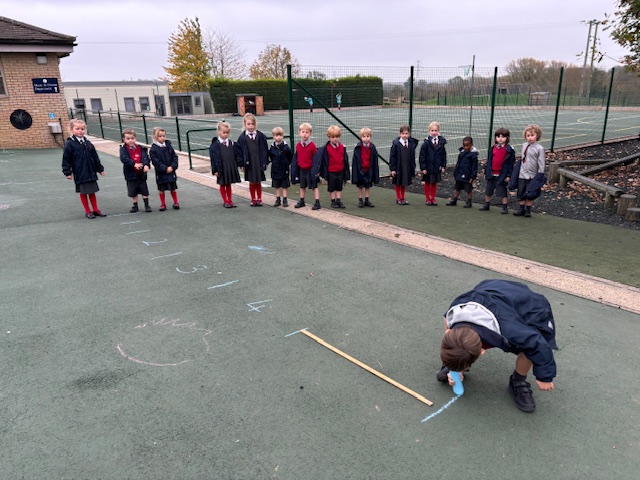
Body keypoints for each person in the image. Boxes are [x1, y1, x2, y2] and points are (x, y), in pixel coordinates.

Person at [437, 279, 557, 413]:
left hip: (529, 306)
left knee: (528, 347)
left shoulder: (511, 331)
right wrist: (456, 368)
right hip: (491, 289)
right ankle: (458, 364)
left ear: (482, 351)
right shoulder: (455, 312)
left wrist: (544, 377)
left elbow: (537, 344)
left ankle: (518, 380)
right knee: (460, 344)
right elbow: (446, 319)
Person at [61, 119, 107, 219]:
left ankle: (95, 209)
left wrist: (100, 168)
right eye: (77, 129)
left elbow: (95, 157)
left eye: (82, 129)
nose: (80, 131)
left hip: (91, 172)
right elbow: (66, 159)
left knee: (92, 191)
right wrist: (67, 172)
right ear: (71, 130)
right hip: (80, 172)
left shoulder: (88, 143)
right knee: (84, 192)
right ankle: (87, 211)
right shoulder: (70, 144)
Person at [510, 124, 547, 218]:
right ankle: (521, 209)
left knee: (530, 193)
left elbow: (541, 163)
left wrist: (540, 175)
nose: (530, 138)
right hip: (522, 174)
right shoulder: (524, 145)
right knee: (521, 192)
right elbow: (523, 159)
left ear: (537, 136)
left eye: (532, 135)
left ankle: (528, 210)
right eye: (528, 136)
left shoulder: (539, 148)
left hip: (533, 175)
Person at [479, 128, 515, 214]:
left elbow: (511, 164)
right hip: (492, 173)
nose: (500, 138)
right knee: (488, 190)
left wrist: (508, 175)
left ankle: (505, 207)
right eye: (498, 136)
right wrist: (486, 172)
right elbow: (489, 161)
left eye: (503, 136)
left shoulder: (509, 150)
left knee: (502, 191)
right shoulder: (493, 148)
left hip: (502, 174)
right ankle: (487, 204)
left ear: (507, 138)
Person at [236, 113, 269, 206]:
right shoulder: (242, 138)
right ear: (245, 125)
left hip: (258, 161)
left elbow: (264, 150)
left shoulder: (261, 136)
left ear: (255, 124)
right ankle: (253, 198)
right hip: (249, 163)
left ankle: (259, 198)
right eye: (248, 124)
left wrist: (265, 162)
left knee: (258, 180)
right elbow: (239, 152)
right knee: (252, 181)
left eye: (252, 124)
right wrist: (241, 164)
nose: (250, 126)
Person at [209, 121, 242, 208]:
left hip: (230, 166)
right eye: (224, 132)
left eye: (227, 133)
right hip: (221, 167)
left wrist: (240, 164)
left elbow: (236, 155)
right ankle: (225, 201)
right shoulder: (215, 145)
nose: (226, 134)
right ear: (219, 132)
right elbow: (213, 159)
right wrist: (215, 170)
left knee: (229, 184)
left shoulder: (232, 143)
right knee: (223, 184)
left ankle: (230, 200)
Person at [317, 125, 350, 208]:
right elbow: (323, 161)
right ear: (329, 137)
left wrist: (345, 171)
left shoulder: (342, 147)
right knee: (331, 187)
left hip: (340, 170)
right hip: (331, 171)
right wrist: (322, 172)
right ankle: (333, 201)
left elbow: (345, 160)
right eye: (333, 137)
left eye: (337, 137)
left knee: (339, 187)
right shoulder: (326, 148)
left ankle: (338, 200)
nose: (335, 139)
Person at [120, 128, 152, 213]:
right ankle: (135, 205)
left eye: (132, 138)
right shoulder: (123, 149)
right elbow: (124, 159)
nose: (130, 140)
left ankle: (147, 205)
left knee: (144, 190)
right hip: (131, 174)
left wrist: (146, 165)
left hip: (141, 174)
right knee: (133, 191)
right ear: (124, 139)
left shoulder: (141, 148)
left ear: (135, 138)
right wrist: (134, 164)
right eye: (128, 138)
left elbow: (145, 158)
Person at [291, 123, 321, 210]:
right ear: (299, 133)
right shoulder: (298, 145)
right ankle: (302, 201)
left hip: (310, 169)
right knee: (302, 186)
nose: (305, 134)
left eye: (307, 132)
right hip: (302, 169)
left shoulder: (312, 146)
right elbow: (297, 158)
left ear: (310, 134)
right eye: (303, 132)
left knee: (314, 186)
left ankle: (317, 202)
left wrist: (316, 170)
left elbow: (316, 158)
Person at [149, 127, 180, 211]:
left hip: (171, 172)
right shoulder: (153, 149)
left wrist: (172, 167)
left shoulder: (169, 145)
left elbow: (175, 157)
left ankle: (176, 202)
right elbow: (155, 161)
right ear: (155, 137)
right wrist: (165, 168)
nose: (162, 138)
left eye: (164, 136)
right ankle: (163, 204)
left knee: (172, 188)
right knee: (161, 189)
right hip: (161, 173)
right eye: (160, 136)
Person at [389, 124, 418, 205]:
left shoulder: (411, 144)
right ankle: (399, 198)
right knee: (398, 182)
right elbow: (392, 157)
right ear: (400, 134)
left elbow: (412, 156)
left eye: (406, 133)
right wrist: (393, 168)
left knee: (404, 182)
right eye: (403, 133)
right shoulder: (396, 144)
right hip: (399, 167)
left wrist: (413, 167)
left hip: (407, 167)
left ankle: (402, 197)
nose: (404, 135)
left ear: (409, 134)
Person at [419, 121, 447, 206]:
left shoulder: (441, 143)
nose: (434, 132)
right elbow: (422, 156)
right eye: (432, 130)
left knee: (434, 182)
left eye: (436, 130)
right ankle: (428, 198)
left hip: (436, 166)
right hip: (428, 167)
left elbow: (443, 155)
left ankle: (433, 198)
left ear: (438, 131)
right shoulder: (426, 143)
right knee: (427, 182)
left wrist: (443, 165)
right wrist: (423, 167)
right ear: (429, 131)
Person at [446, 136, 478, 208]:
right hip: (460, 173)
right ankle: (455, 200)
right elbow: (458, 164)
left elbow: (474, 167)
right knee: (457, 188)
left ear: (471, 145)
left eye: (467, 145)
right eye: (464, 145)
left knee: (468, 189)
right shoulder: (461, 153)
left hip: (467, 175)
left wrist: (472, 176)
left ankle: (469, 201)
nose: (466, 147)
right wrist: (456, 173)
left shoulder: (473, 155)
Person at [351, 127, 380, 208]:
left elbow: (375, 160)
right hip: (361, 169)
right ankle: (360, 200)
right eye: (364, 136)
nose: (366, 138)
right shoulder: (358, 147)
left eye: (368, 136)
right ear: (361, 137)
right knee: (360, 186)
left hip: (369, 169)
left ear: (370, 137)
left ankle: (367, 199)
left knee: (367, 185)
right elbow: (355, 161)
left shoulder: (372, 147)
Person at [268, 126, 293, 207]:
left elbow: (290, 156)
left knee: (285, 185)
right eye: (276, 135)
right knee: (277, 185)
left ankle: (285, 199)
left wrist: (286, 164)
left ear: (282, 136)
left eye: (280, 135)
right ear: (273, 136)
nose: (278, 137)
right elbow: (271, 157)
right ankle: (278, 199)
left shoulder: (286, 147)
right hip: (275, 169)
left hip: (284, 169)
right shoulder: (272, 148)